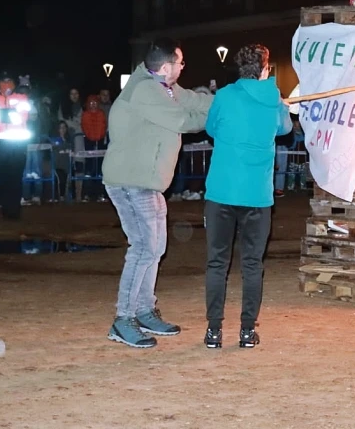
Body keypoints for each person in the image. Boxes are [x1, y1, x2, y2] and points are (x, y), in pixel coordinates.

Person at [102, 39, 213, 348]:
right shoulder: (145, 91)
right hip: (132, 181)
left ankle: (143, 310)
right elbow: (182, 119)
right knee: (144, 248)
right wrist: (220, 118)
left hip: (147, 180)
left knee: (154, 248)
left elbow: (192, 101)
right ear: (165, 67)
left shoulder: (161, 86)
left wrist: (230, 104)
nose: (182, 67)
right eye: (179, 63)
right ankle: (123, 319)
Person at [203, 45, 292, 349]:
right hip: (257, 196)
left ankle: (213, 331)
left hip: (221, 192)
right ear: (265, 69)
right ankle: (246, 331)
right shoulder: (273, 99)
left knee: (217, 262)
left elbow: (211, 128)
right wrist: (279, 103)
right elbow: (286, 128)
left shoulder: (225, 96)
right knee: (252, 264)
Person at [0, 74, 32, 220]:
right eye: (3, 81)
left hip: (17, 142)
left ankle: (15, 210)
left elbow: (23, 117)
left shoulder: (22, 98)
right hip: (1, 142)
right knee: (3, 177)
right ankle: (6, 209)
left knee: (16, 177)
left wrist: (1, 115)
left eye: (8, 80)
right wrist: (10, 115)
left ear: (13, 83)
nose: (6, 83)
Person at [81, 95, 108, 202]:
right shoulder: (85, 114)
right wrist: (91, 138)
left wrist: (99, 137)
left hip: (100, 142)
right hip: (89, 143)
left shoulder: (101, 114)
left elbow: (104, 126)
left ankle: (100, 193)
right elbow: (85, 127)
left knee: (100, 169)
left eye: (95, 103)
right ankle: (87, 194)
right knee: (89, 169)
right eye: (91, 103)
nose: (93, 105)